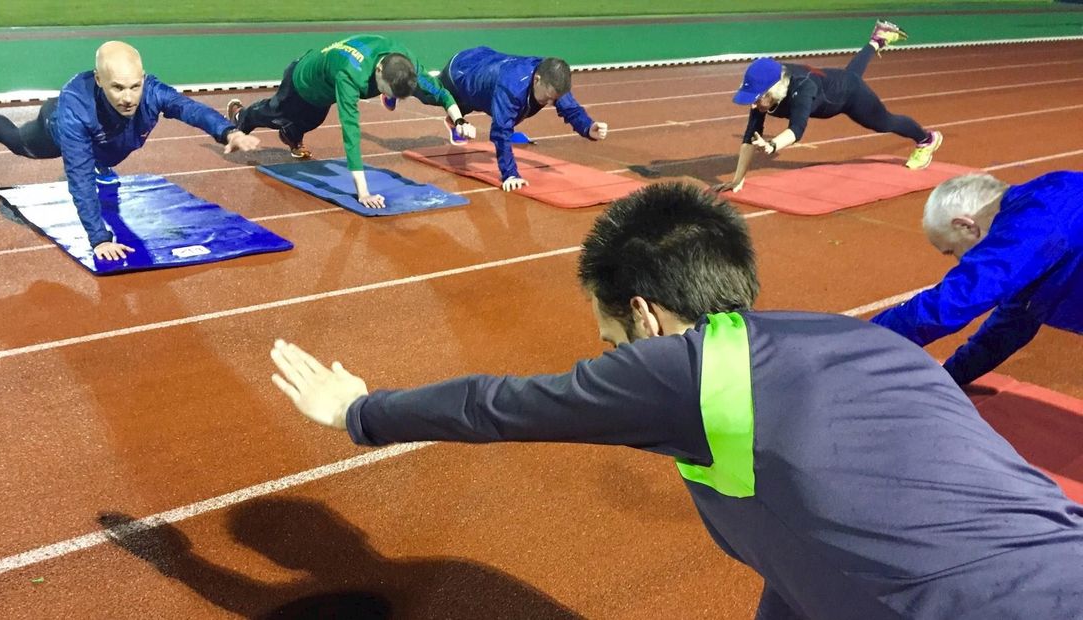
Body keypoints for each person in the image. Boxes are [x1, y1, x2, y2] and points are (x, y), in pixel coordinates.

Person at [270, 182, 1082, 619]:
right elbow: (803, 543)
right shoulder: (858, 340)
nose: (608, 359)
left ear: (647, 315)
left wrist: (359, 412)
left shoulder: (690, 368)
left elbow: (497, 405)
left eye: (609, 338)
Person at [0, 41, 260, 261]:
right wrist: (99, 238)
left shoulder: (152, 91)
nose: (128, 98)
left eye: (134, 86)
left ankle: (104, 161)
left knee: (114, 144)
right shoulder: (74, 111)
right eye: (117, 87)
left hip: (111, 139)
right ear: (99, 80)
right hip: (55, 128)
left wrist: (229, 131)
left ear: (143, 79)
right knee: (18, 143)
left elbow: (189, 108)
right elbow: (79, 177)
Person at [871, 171, 1083, 386]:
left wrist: (862, 338)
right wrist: (949, 379)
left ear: (966, 226)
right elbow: (1009, 327)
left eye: (952, 250)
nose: (958, 260)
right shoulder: (1050, 197)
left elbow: (958, 297)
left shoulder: (1036, 220)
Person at [226, 34, 476, 209]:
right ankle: (240, 117)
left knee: (312, 120)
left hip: (323, 92)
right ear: (378, 72)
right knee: (276, 113)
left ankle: (291, 135)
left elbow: (440, 92)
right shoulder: (350, 74)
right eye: (385, 91)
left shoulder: (405, 62)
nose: (386, 95)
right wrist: (363, 191)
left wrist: (459, 119)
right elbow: (350, 131)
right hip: (301, 82)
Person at [713, 20, 943, 194]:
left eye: (756, 98)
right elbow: (749, 137)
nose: (753, 104)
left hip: (849, 96)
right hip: (836, 80)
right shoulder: (765, 91)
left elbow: (798, 129)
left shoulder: (802, 89)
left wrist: (773, 145)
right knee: (850, 75)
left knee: (884, 122)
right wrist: (737, 179)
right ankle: (877, 39)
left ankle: (926, 139)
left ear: (774, 89)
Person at [437, 47, 608, 192]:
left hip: (487, 60)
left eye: (553, 100)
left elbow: (569, 108)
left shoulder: (553, 78)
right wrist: (509, 174)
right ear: (537, 80)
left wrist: (588, 127)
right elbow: (500, 132)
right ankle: (454, 119)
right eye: (547, 98)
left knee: (507, 108)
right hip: (459, 71)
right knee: (455, 97)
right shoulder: (511, 87)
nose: (550, 104)